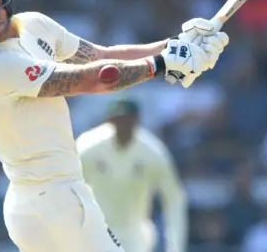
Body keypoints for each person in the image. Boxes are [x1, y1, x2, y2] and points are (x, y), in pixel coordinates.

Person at [0, 0, 229, 252]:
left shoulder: (34, 25)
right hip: (52, 199)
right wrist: (161, 64)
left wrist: (173, 45)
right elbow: (92, 79)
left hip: (48, 200)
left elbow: (102, 56)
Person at [77, 99, 188, 252]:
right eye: (118, 120)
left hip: (135, 237)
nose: (123, 125)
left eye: (127, 119)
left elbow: (173, 199)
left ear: (136, 120)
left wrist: (175, 247)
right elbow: (67, 187)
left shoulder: (153, 152)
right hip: (95, 232)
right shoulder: (88, 146)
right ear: (109, 120)